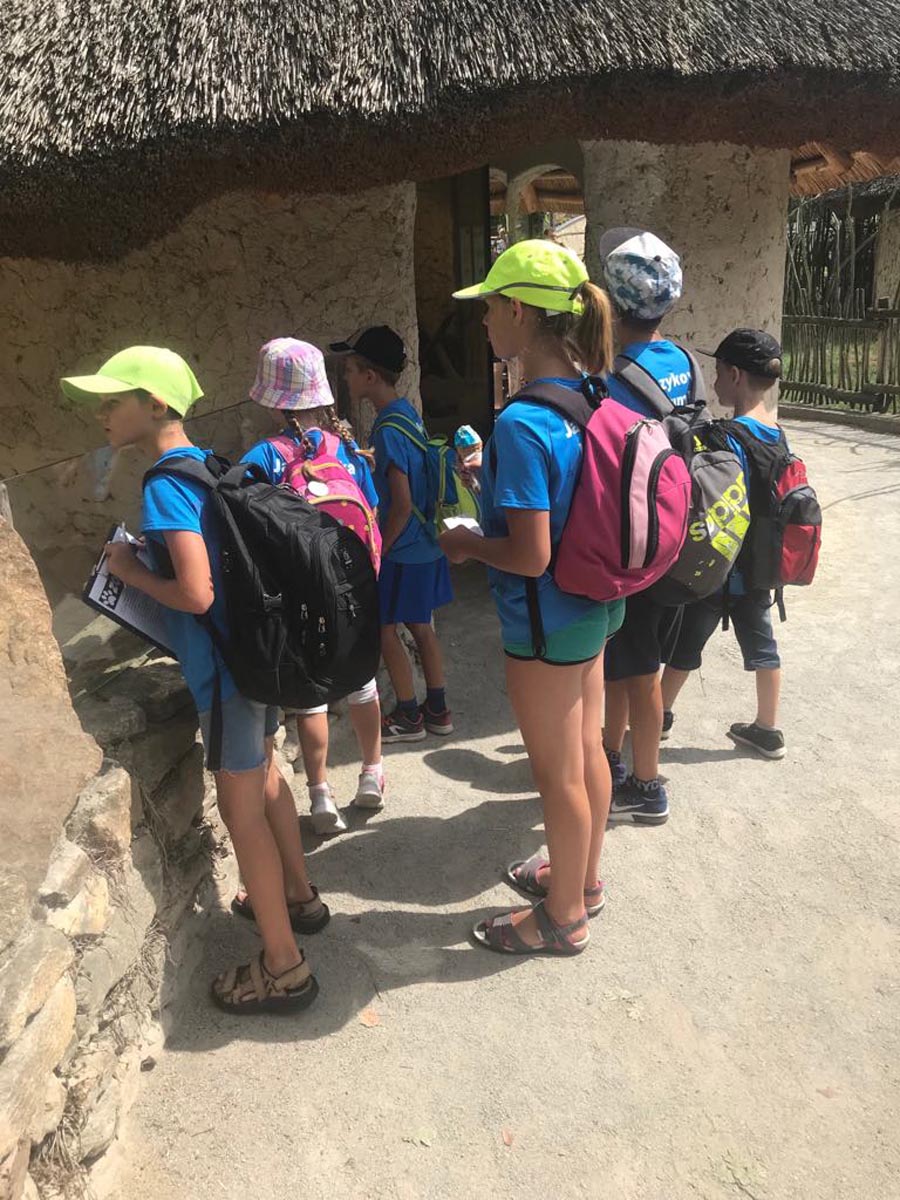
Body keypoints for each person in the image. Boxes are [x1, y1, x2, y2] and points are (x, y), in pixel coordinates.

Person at [59, 347, 325, 1015]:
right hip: (257, 659)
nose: (101, 412)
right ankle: (301, 897)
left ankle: (284, 967)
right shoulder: (208, 464)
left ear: (154, 404)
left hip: (224, 675)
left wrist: (127, 571)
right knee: (267, 777)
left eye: (113, 399)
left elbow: (197, 593)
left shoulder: (163, 487)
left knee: (240, 813)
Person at [441, 239, 622, 956]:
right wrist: (489, 484)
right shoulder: (593, 395)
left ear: (517, 310)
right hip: (596, 604)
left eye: (488, 307)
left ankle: (562, 917)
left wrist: (465, 545)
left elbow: (530, 554)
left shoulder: (521, 421)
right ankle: (584, 880)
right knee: (587, 752)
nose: (484, 321)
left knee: (557, 773)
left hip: (546, 622)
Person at [241, 338, 385, 834]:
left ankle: (321, 794)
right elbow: (371, 511)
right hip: (355, 587)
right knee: (362, 681)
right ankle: (372, 772)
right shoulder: (344, 447)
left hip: (302, 593)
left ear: (272, 401)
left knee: (311, 694)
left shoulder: (264, 456)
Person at [599, 228, 699, 826]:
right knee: (631, 660)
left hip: (635, 543)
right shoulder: (685, 362)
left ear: (613, 304)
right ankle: (611, 757)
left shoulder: (613, 380)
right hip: (679, 534)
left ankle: (647, 784)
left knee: (639, 672)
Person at [662, 330, 786, 759]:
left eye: (717, 372)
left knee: (685, 646)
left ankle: (659, 715)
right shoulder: (778, 435)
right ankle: (768, 729)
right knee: (764, 647)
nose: (713, 380)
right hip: (759, 569)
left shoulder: (726, 435)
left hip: (718, 565)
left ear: (735, 375)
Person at [329, 326, 454, 742]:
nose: (346, 377)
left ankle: (408, 715)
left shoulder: (386, 428)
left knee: (384, 630)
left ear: (370, 376)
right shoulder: (405, 413)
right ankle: (438, 709)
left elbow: (400, 503)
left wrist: (380, 548)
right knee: (421, 626)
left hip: (403, 548)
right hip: (426, 543)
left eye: (350, 370)